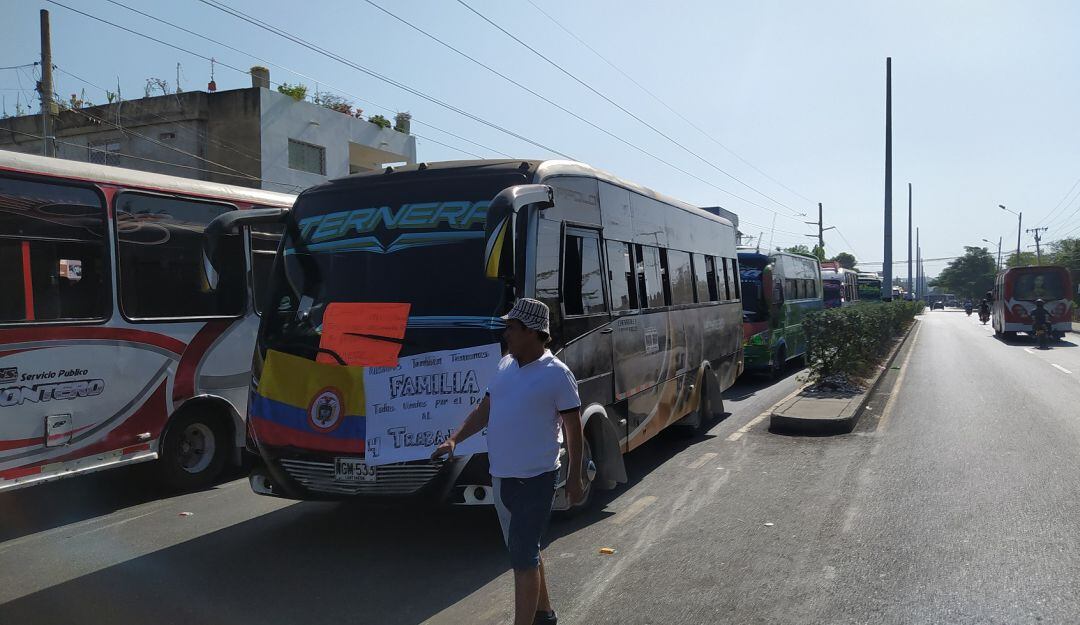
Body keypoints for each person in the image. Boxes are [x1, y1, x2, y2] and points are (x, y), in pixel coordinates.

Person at [432, 298, 584, 625]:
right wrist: (455, 437)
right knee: (525, 549)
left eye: (511, 328)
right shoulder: (504, 366)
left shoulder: (557, 375)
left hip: (536, 479)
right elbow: (484, 409)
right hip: (501, 477)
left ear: (531, 332)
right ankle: (544, 614)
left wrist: (575, 476)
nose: (506, 335)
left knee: (522, 560)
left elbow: (574, 427)